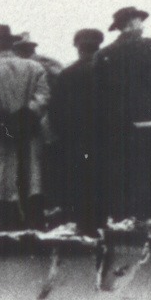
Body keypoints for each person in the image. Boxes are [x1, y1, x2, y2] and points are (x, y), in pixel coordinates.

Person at [96, 6, 151, 224]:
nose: (143, 26)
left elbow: (97, 96)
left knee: (127, 177)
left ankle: (129, 227)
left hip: (120, 129)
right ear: (132, 24)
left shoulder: (105, 55)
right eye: (140, 21)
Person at [0, 23, 52, 230]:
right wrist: (25, 116)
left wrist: (1, 119)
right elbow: (43, 97)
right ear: (13, 43)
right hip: (28, 132)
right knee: (29, 177)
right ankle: (31, 224)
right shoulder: (34, 68)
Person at [48, 28, 108, 234]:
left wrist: (64, 136)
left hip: (75, 141)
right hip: (106, 139)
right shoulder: (110, 70)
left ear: (77, 47)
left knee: (81, 185)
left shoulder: (67, 74)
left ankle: (85, 229)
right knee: (104, 183)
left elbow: (55, 111)